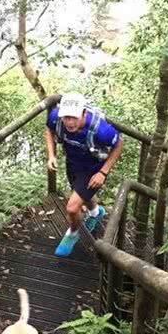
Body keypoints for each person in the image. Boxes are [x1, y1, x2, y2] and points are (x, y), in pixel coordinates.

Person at [45, 93, 123, 257]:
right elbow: (49, 131)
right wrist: (51, 155)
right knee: (81, 193)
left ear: (84, 114)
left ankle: (72, 234)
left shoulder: (101, 130)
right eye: (66, 118)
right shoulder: (55, 118)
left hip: (93, 167)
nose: (69, 122)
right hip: (73, 163)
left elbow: (119, 144)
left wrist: (103, 172)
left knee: (72, 208)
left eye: (74, 117)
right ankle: (96, 212)